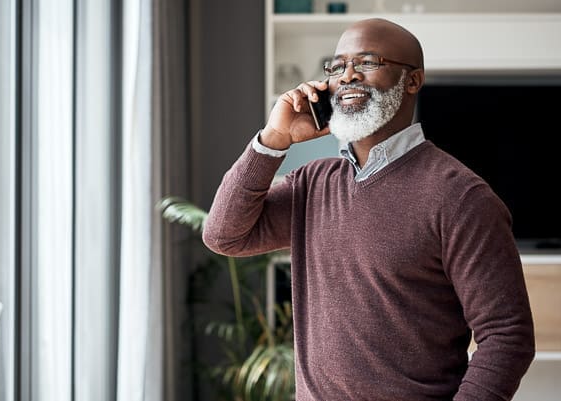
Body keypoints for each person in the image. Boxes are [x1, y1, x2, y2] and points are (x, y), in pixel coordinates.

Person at [202, 17, 535, 401]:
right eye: (338, 65)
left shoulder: (461, 197)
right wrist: (273, 140)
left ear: (412, 81)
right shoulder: (312, 184)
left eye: (367, 62)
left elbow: (508, 336)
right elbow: (224, 235)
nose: (347, 76)